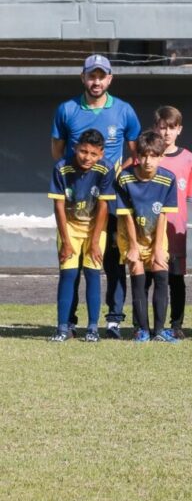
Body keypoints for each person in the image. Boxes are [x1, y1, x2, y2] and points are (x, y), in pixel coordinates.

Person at [51, 53, 141, 339]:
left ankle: (113, 320)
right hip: (78, 200)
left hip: (111, 199)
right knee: (72, 265)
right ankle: (69, 322)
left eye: (102, 76)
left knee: (111, 260)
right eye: (92, 76)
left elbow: (136, 153)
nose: (96, 81)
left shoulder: (124, 110)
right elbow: (57, 151)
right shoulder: (67, 109)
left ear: (110, 79)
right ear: (83, 77)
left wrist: (113, 177)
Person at [48, 129, 116, 342]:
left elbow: (103, 206)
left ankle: (92, 329)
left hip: (95, 229)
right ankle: (62, 328)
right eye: (83, 151)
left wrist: (95, 242)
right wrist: (66, 241)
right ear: (75, 148)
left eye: (93, 154)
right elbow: (58, 206)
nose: (87, 157)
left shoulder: (106, 169)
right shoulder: (61, 168)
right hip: (69, 228)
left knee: (93, 274)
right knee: (68, 275)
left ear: (101, 153)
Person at [114, 131, 180, 343]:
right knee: (138, 276)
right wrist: (133, 247)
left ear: (161, 156)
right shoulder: (125, 178)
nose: (148, 161)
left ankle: (159, 330)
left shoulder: (168, 179)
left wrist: (158, 248)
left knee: (161, 274)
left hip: (156, 235)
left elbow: (163, 215)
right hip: (131, 235)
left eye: (153, 156)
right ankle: (142, 329)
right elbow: (127, 217)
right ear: (137, 156)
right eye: (143, 155)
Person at [153, 106, 192, 339]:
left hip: (176, 228)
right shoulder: (148, 156)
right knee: (150, 277)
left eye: (171, 128)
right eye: (162, 127)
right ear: (156, 128)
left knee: (176, 277)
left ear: (179, 129)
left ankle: (176, 324)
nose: (166, 133)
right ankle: (147, 325)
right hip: (150, 229)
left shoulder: (188, 158)